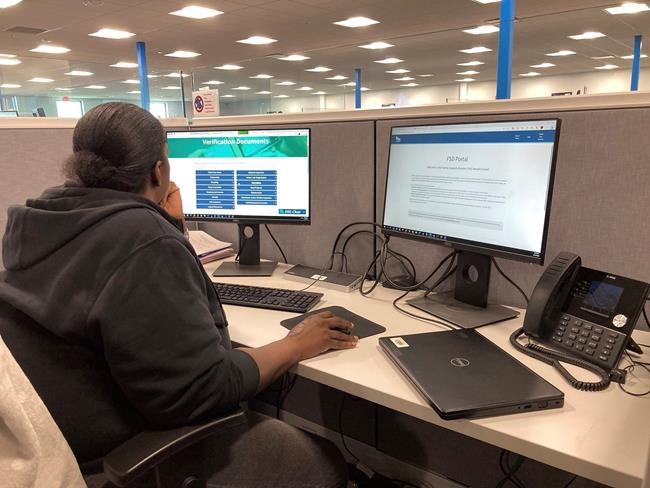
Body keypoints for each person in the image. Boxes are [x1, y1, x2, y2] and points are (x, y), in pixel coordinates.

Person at [0, 102, 357, 487]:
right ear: (158, 170)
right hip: (124, 446)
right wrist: (296, 345)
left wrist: (169, 229)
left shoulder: (43, 218)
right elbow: (206, 388)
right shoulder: (141, 238)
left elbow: (117, 285)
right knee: (322, 461)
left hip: (55, 434)